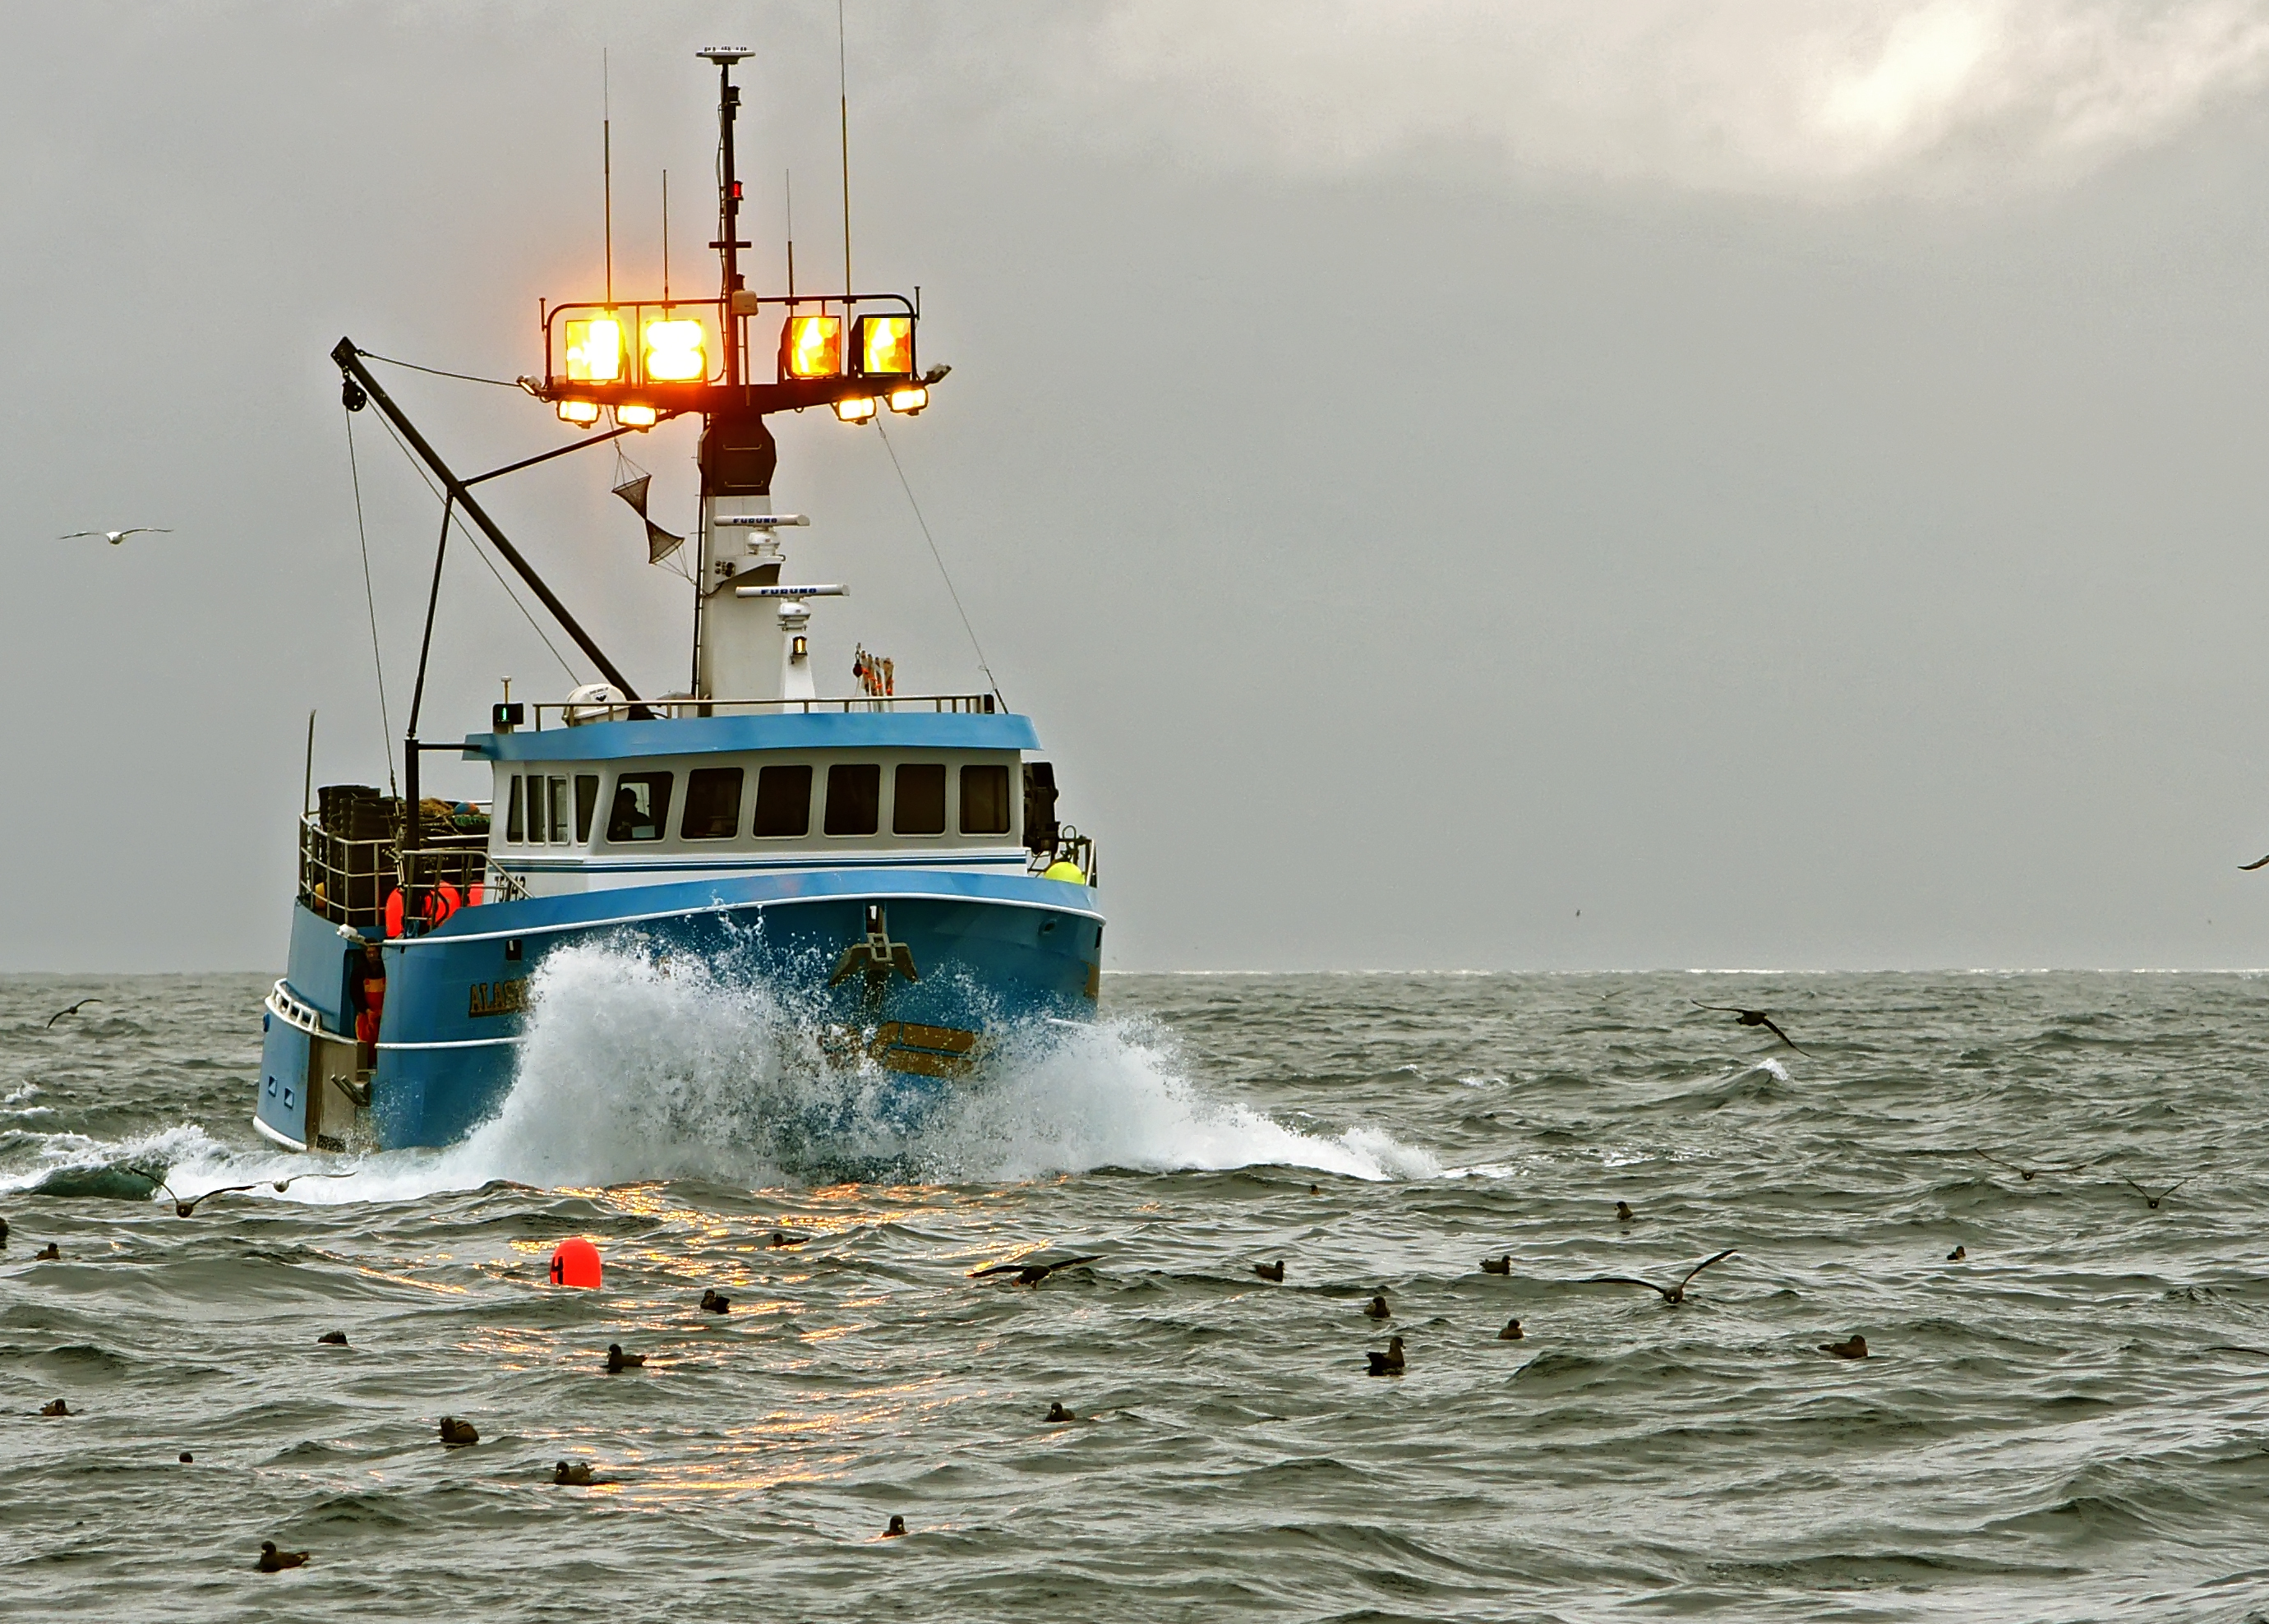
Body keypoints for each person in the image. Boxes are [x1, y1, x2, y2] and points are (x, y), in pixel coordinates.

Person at [348, 942, 385, 1070]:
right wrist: (367, 1010)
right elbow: (355, 993)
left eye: (373, 952)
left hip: (384, 1016)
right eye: (368, 952)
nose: (371, 955)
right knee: (365, 1044)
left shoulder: (386, 969)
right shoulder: (359, 972)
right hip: (366, 1017)